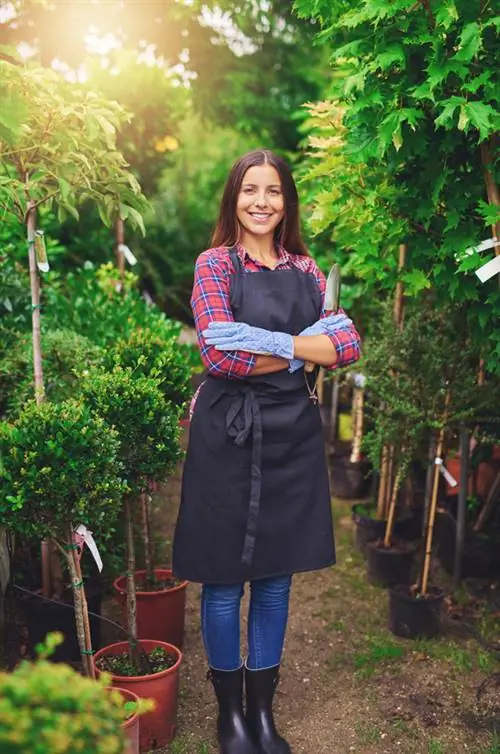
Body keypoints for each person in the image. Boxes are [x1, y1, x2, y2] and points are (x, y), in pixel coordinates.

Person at [173, 149, 361, 754]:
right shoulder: (214, 265)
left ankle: (262, 715)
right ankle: (230, 716)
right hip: (228, 431)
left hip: (291, 434)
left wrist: (269, 341)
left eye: (273, 190)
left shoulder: (307, 271)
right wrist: (306, 347)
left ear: (287, 201)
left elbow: (349, 343)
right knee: (225, 581)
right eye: (250, 189)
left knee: (276, 582)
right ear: (234, 197)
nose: (261, 201)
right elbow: (219, 355)